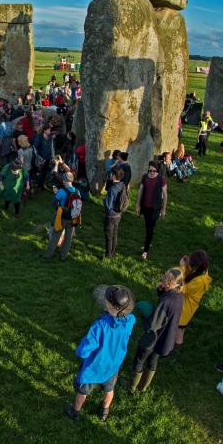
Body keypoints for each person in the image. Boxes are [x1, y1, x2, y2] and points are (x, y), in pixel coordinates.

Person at [64, 285, 136, 422]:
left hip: (94, 366)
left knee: (83, 390)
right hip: (113, 365)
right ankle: (104, 411)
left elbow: (85, 350)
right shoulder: (131, 320)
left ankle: (75, 412)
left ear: (109, 306)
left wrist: (80, 351)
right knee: (109, 389)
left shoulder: (100, 325)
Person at [129, 268, 184, 393]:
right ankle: (143, 387)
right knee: (153, 361)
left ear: (172, 283)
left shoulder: (166, 302)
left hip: (152, 339)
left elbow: (152, 326)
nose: (162, 279)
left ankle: (131, 387)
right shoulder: (179, 296)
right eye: (164, 276)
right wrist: (160, 289)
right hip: (165, 338)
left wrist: (145, 315)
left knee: (139, 360)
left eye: (165, 278)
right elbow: (165, 298)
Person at [177, 251, 211, 345]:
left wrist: (182, 267)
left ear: (195, 266)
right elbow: (191, 275)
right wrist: (188, 265)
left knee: (179, 330)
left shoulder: (199, 281)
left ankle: (174, 349)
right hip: (189, 307)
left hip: (184, 308)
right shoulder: (201, 272)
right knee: (181, 329)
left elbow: (181, 288)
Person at [43, 172, 80, 261]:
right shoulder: (77, 191)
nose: (62, 181)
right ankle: (63, 256)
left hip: (61, 216)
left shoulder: (62, 191)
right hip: (72, 217)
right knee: (68, 238)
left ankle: (47, 256)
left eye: (63, 179)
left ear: (66, 180)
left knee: (55, 236)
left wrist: (59, 207)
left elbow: (54, 203)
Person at [136, 161, 167, 260]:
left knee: (150, 228)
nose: (151, 172)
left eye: (153, 171)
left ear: (157, 170)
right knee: (148, 227)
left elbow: (165, 195)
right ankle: (148, 243)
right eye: (150, 170)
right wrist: (137, 205)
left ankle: (145, 251)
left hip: (155, 208)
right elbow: (140, 190)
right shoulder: (145, 177)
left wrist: (163, 209)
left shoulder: (161, 179)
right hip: (145, 207)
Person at [102, 167, 127, 259]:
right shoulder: (122, 185)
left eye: (112, 174)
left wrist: (104, 200)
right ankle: (112, 252)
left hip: (110, 216)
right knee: (115, 234)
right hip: (118, 214)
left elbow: (108, 206)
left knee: (108, 236)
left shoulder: (112, 189)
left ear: (114, 176)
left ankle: (108, 255)